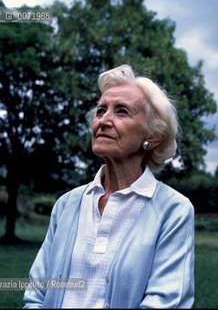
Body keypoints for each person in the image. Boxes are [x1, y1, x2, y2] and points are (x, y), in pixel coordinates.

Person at [23, 65, 195, 308]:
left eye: (122, 111)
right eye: (101, 111)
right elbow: (37, 294)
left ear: (153, 135)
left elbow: (165, 302)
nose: (103, 120)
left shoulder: (173, 210)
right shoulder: (67, 204)